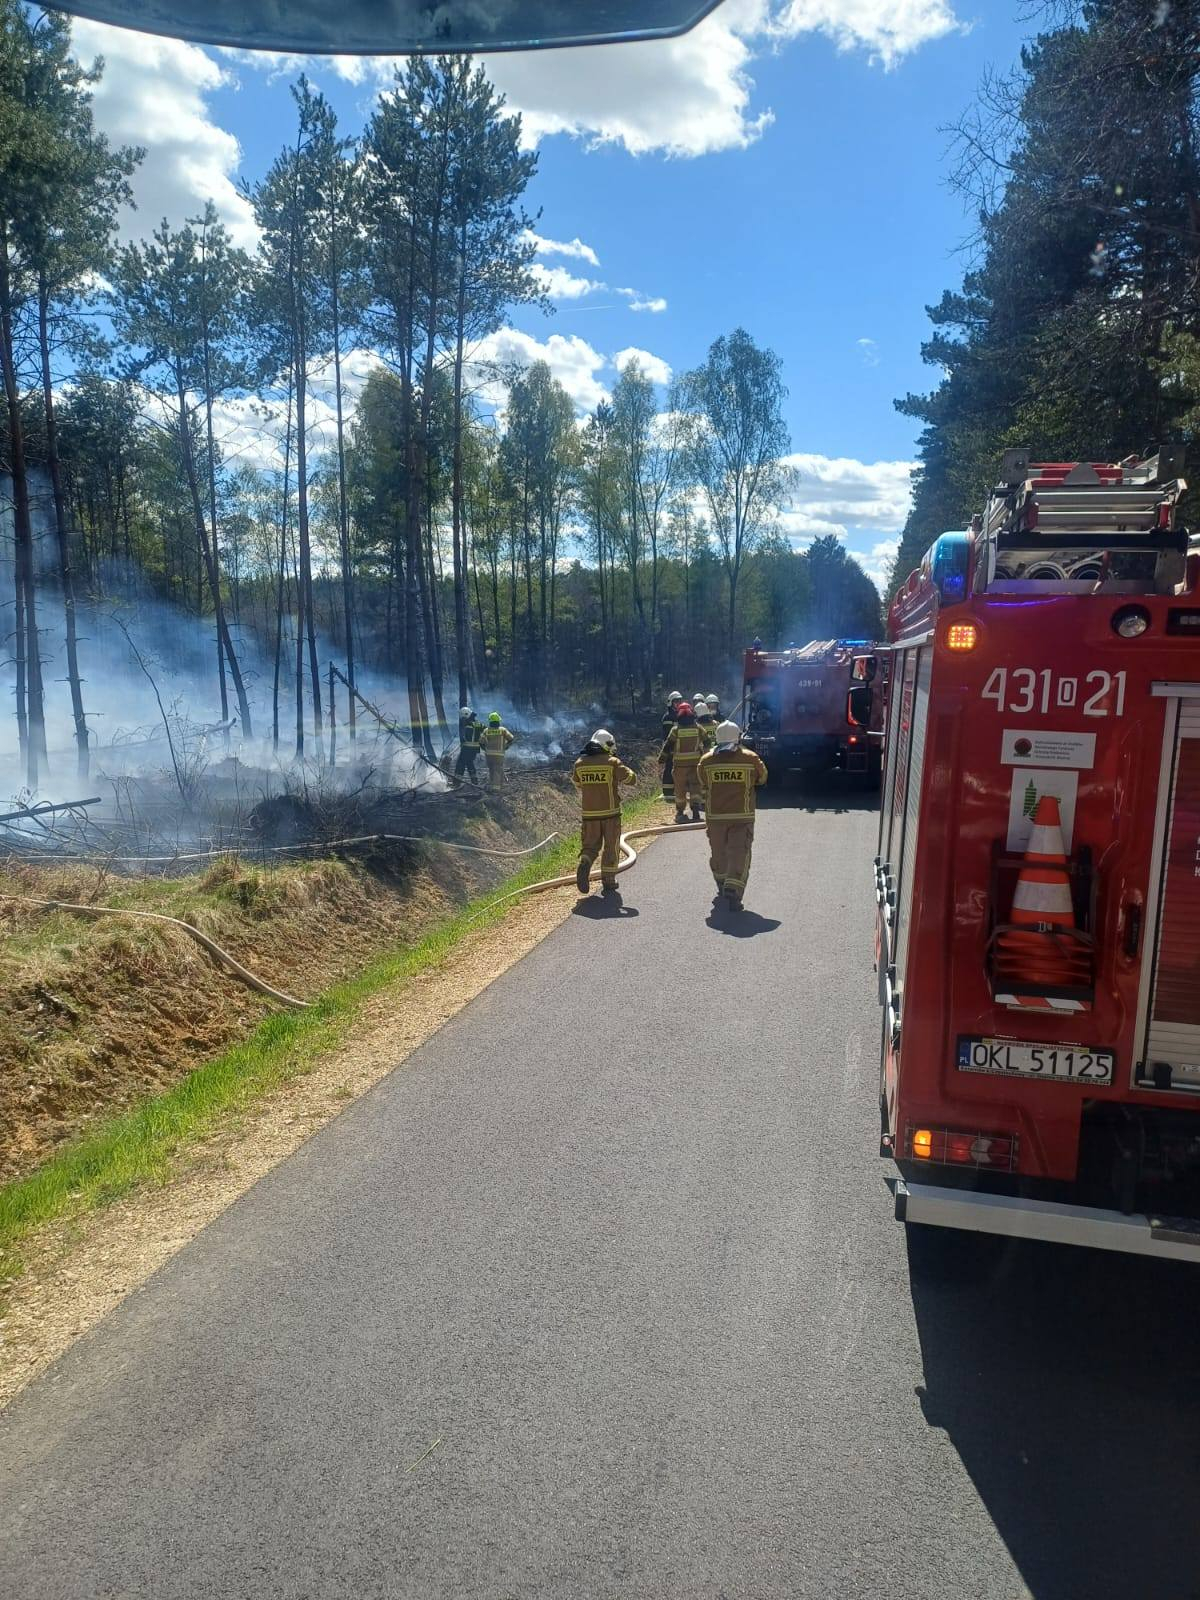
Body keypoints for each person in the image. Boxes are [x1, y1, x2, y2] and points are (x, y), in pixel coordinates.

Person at [697, 720, 768, 910]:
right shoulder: (750, 758)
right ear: (738, 737)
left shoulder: (706, 760)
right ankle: (734, 889)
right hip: (741, 816)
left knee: (718, 852)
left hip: (715, 817)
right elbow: (762, 778)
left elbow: (702, 782)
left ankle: (721, 882)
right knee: (739, 852)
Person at [572, 728, 636, 895]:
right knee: (611, 846)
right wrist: (628, 770)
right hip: (610, 814)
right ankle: (608, 880)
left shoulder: (579, 763)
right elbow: (630, 779)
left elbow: (577, 783)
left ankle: (585, 862)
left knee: (590, 846)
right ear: (606, 745)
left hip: (589, 814)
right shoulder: (612, 762)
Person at [659, 701, 711, 822]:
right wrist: (706, 754)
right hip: (695, 764)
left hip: (679, 766)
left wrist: (662, 758)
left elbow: (668, 746)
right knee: (695, 788)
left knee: (680, 789)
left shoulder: (675, 730)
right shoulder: (698, 728)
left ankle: (680, 813)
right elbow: (707, 741)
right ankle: (696, 813)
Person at [481, 711, 514, 786]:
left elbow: (481, 742)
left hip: (489, 755)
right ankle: (496, 788)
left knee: (492, 770)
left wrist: (485, 749)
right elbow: (511, 739)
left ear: (490, 721)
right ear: (498, 721)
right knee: (498, 770)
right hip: (499, 754)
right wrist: (506, 746)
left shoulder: (486, 730)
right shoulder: (503, 730)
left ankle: (494, 784)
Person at [660, 690, 683, 800]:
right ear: (670, 703)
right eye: (676, 702)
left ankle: (676, 789)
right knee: (669, 767)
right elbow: (668, 734)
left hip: (680, 747)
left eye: (679, 701)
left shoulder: (679, 715)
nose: (678, 703)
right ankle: (668, 792)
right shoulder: (668, 717)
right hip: (671, 747)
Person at [454, 705, 485, 783]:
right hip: (475, 749)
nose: (463, 719)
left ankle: (457, 782)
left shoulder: (468, 724)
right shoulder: (478, 723)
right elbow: (485, 730)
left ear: (466, 715)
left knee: (460, 764)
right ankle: (474, 781)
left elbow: (465, 737)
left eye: (463, 717)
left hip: (467, 748)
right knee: (469, 763)